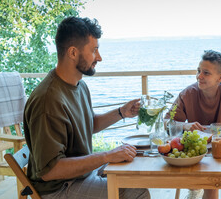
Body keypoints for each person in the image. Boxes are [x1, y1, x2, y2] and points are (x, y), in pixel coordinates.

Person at [23, 17, 150, 199]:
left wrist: (122, 112)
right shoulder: (48, 101)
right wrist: (106, 155)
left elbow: (88, 124)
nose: (99, 57)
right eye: (94, 50)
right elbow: (50, 171)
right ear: (73, 52)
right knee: (138, 193)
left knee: (133, 170)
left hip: (80, 175)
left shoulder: (78, 85)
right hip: (59, 188)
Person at [166, 50, 221, 199]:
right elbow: (167, 122)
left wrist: (218, 126)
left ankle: (198, 189)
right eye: (198, 71)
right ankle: (196, 188)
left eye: (206, 73)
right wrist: (185, 126)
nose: (199, 76)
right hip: (197, 152)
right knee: (210, 186)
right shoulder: (187, 94)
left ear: (220, 77)